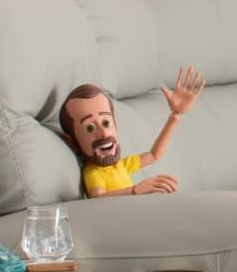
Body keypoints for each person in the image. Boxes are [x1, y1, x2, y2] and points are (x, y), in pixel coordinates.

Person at [56, 66, 205, 197]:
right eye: (90, 128)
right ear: (72, 142)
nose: (103, 133)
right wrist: (135, 190)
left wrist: (175, 115)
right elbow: (98, 199)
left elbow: (153, 155)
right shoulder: (94, 174)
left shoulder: (121, 165)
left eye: (106, 123)